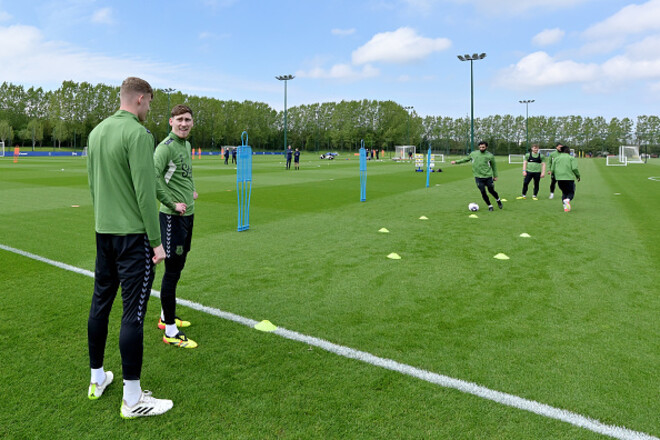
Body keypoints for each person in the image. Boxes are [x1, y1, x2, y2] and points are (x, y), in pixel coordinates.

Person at [87, 77, 173, 418]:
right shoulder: (138, 134)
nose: (150, 108)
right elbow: (145, 191)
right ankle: (133, 399)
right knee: (133, 314)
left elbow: (94, 186)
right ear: (139, 99)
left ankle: (97, 378)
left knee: (100, 304)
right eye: (149, 102)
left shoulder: (96, 133)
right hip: (133, 238)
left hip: (103, 233)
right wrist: (156, 243)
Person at [153, 104, 199, 349]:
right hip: (171, 218)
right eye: (180, 119)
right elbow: (153, 177)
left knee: (178, 267)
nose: (184, 124)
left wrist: (190, 191)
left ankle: (164, 317)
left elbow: (183, 175)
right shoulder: (164, 148)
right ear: (170, 121)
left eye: (188, 120)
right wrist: (171, 203)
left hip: (187, 216)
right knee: (171, 272)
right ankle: (170, 330)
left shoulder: (187, 145)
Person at [451, 141, 503, 211]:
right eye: (480, 147)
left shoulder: (490, 156)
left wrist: (495, 176)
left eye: (483, 147)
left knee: (491, 191)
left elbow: (494, 166)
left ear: (486, 147)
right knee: (483, 191)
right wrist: (456, 162)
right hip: (478, 177)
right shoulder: (473, 154)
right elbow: (466, 159)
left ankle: (498, 200)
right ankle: (490, 206)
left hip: (488, 177)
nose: (481, 148)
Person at [550, 145, 580, 212]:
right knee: (571, 192)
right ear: (568, 151)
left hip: (559, 178)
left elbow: (552, 169)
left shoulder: (556, 158)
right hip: (569, 178)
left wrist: (554, 176)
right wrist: (578, 176)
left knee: (564, 192)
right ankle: (568, 200)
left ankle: (565, 208)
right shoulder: (571, 158)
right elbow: (574, 168)